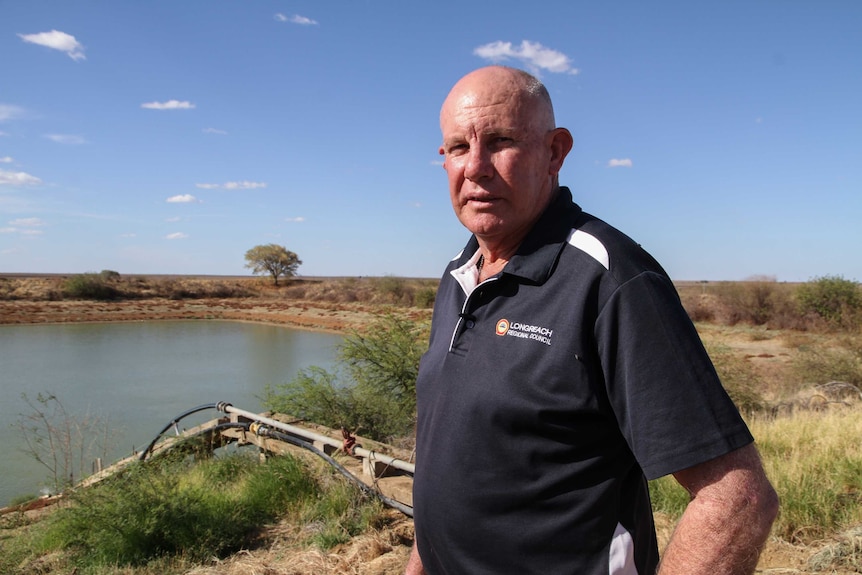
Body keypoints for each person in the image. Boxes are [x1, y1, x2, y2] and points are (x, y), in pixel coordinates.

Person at [405, 66, 778, 575]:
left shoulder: (611, 279)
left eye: (500, 141)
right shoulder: (459, 275)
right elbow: (447, 469)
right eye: (457, 148)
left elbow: (737, 500)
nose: (476, 167)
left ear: (555, 151)